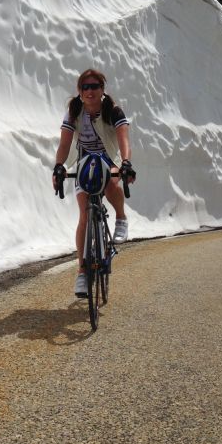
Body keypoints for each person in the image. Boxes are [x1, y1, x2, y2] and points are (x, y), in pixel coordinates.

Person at [52, 69, 136, 297]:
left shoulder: (113, 110)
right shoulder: (74, 111)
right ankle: (81, 272)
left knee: (111, 184)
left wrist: (126, 162)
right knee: (84, 215)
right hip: (84, 163)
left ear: (102, 89)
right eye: (85, 87)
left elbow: (124, 140)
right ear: (79, 91)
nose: (90, 91)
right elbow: (65, 144)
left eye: (94, 86)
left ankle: (120, 217)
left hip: (109, 159)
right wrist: (59, 166)